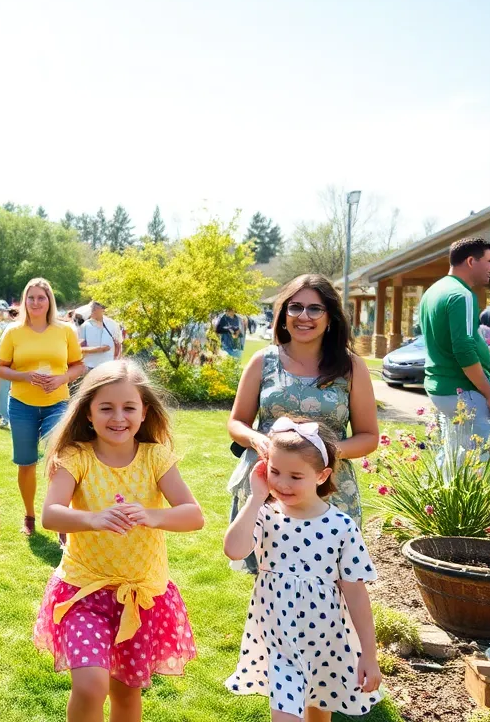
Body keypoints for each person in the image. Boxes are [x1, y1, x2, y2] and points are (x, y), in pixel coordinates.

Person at [35, 361, 201, 722]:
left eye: (129, 408)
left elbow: (193, 515)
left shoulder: (155, 457)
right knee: (91, 686)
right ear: (89, 413)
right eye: (106, 408)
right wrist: (92, 519)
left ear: (144, 412)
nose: (118, 417)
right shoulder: (75, 457)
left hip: (140, 597)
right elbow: (50, 514)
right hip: (83, 593)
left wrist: (152, 515)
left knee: (127, 695)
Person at [224, 417, 381, 720]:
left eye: (295, 476)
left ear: (321, 476)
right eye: (275, 472)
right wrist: (256, 497)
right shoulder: (265, 514)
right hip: (278, 641)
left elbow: (356, 594)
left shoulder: (341, 527)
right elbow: (234, 549)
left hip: (327, 644)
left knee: (317, 714)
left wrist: (368, 656)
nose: (282, 483)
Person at [227, 274, 378, 574]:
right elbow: (237, 423)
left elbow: (369, 436)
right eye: (295, 307)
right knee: (271, 576)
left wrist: (323, 453)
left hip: (329, 488)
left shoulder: (351, 367)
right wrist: (256, 440)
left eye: (314, 309)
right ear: (283, 315)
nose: (303, 316)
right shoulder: (262, 361)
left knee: (329, 579)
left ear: (330, 317)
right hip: (272, 486)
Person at [0, 278, 85, 536]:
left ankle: (60, 522)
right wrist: (26, 376)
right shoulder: (13, 331)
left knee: (59, 461)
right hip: (22, 405)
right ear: (25, 301)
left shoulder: (65, 330)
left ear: (49, 301)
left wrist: (61, 378)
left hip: (56, 403)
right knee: (26, 463)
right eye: (31, 297)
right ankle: (29, 515)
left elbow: (78, 365)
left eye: (41, 298)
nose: (35, 302)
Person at [419, 237, 490, 456]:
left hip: (442, 390)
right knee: (482, 464)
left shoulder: (433, 291)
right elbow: (463, 349)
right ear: (471, 261)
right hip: (463, 391)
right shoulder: (462, 295)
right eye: (489, 261)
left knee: (453, 460)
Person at [77, 301, 122, 373]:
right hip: (89, 367)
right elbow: (78, 348)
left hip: (109, 367)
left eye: (95, 307)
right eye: (92, 308)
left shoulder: (113, 324)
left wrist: (117, 363)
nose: (93, 309)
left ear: (103, 309)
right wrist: (97, 349)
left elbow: (118, 346)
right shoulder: (85, 326)